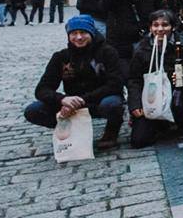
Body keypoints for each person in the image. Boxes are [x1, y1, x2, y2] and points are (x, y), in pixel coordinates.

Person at [24, 14, 124, 149]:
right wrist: (62, 99)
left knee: (112, 104)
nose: (79, 37)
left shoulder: (107, 52)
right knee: (33, 110)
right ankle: (71, 128)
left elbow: (115, 84)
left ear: (92, 33)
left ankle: (111, 131)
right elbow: (42, 89)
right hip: (71, 105)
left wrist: (81, 100)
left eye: (83, 33)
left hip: (98, 100)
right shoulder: (61, 57)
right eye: (74, 33)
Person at [127, 9, 183, 148]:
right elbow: (134, 79)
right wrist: (135, 104)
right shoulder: (141, 48)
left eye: (165, 25)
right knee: (139, 141)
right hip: (152, 97)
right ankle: (161, 125)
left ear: (173, 27)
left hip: (178, 95)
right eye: (155, 25)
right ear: (150, 27)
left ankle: (178, 122)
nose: (160, 29)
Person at [99, 0, 163, 79]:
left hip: (144, 41)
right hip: (120, 43)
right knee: (126, 77)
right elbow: (103, 7)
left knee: (144, 77)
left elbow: (161, 11)